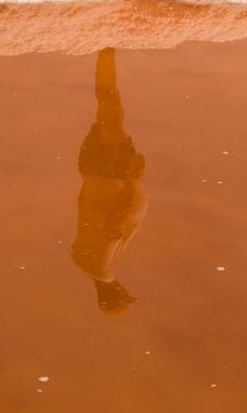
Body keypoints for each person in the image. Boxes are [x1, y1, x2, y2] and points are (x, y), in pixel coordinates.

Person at [71, 49, 147, 317]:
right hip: (93, 173)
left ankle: (106, 49)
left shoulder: (103, 267)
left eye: (123, 295)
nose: (126, 290)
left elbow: (114, 226)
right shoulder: (83, 263)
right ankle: (106, 53)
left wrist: (130, 180)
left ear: (115, 293)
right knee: (108, 108)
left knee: (111, 106)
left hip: (109, 173)